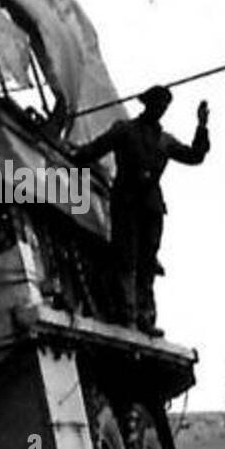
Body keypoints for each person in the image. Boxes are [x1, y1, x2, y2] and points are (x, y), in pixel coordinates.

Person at [73, 85, 210, 336]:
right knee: (125, 258)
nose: (161, 110)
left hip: (151, 208)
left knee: (147, 263)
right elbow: (94, 149)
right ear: (149, 104)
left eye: (165, 106)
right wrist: (75, 157)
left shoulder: (164, 140)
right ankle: (126, 314)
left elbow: (194, 156)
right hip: (126, 203)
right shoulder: (124, 130)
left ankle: (144, 317)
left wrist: (201, 126)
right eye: (159, 104)